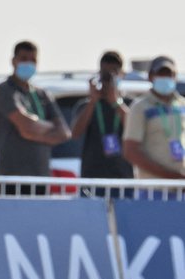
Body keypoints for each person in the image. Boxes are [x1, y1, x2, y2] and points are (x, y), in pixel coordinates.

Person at [0, 41, 71, 195]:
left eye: (32, 60)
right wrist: (49, 127)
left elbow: (64, 133)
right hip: (12, 179)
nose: (28, 63)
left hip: (40, 177)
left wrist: (36, 129)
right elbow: (26, 127)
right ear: (13, 61)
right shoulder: (4, 91)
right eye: (24, 58)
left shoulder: (42, 94)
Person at [71, 51, 134, 197]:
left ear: (121, 75)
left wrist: (115, 102)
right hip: (92, 179)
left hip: (123, 178)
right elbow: (75, 133)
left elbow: (133, 128)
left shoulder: (129, 104)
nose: (108, 79)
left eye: (113, 74)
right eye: (105, 74)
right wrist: (93, 101)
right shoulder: (86, 105)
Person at [123, 55, 185, 198]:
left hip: (182, 189)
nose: (165, 78)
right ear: (151, 76)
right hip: (153, 191)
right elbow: (130, 151)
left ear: (175, 76)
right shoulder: (140, 107)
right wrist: (171, 177)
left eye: (169, 74)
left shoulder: (182, 104)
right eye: (160, 74)